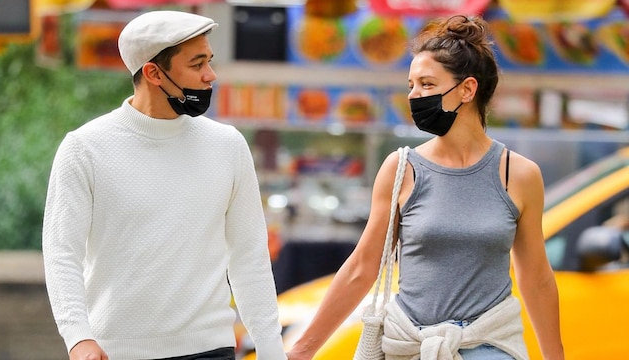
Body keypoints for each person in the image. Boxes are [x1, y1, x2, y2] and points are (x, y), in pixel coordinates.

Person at [287, 15, 564, 360]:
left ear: (467, 89)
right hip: (409, 346)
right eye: (411, 85)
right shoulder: (402, 169)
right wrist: (301, 350)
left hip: (489, 346)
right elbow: (362, 267)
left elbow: (536, 277)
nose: (414, 96)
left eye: (427, 85)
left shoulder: (519, 174)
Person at [42, 10, 286, 360]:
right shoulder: (85, 148)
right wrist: (78, 337)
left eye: (209, 61)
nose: (211, 75)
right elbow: (61, 252)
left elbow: (249, 256)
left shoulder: (228, 146)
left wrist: (271, 347)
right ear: (153, 73)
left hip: (210, 349)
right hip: (115, 352)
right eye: (197, 64)